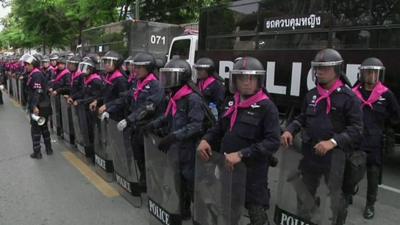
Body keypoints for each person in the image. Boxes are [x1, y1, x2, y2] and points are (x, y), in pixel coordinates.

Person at [281, 48, 363, 225]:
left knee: (337, 198)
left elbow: (356, 129)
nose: (319, 72)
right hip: (310, 155)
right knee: (305, 194)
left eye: (324, 69)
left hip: (336, 159)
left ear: (336, 70)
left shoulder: (349, 98)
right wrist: (290, 129)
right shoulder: (312, 95)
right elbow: (302, 117)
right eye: (317, 68)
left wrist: (333, 142)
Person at [197, 56, 280, 225]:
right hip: (229, 169)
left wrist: (242, 154)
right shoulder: (231, 103)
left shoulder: (267, 107)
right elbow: (219, 127)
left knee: (258, 217)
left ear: (259, 80)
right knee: (228, 210)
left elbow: (273, 141)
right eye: (242, 78)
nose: (247, 82)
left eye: (252, 78)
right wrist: (206, 139)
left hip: (253, 174)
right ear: (235, 80)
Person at [144, 59, 206, 219]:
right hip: (176, 148)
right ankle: (183, 211)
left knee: (192, 185)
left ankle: (201, 217)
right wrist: (152, 125)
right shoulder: (175, 96)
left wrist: (173, 137)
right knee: (178, 181)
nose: (168, 80)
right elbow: (167, 117)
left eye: (172, 76)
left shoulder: (192, 98)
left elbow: (196, 126)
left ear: (182, 78)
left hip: (189, 149)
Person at [105, 52, 164, 192]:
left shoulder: (155, 85)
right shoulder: (138, 82)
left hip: (149, 128)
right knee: (139, 156)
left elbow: (148, 107)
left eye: (138, 67)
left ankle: (155, 187)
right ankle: (144, 181)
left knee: (151, 159)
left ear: (148, 68)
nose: (134, 70)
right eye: (134, 67)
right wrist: (109, 108)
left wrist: (129, 119)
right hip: (136, 127)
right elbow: (126, 98)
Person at [352, 57, 400, 219]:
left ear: (379, 75)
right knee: (352, 172)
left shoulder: (386, 95)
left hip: (374, 143)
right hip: (356, 141)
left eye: (374, 72)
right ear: (362, 74)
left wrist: (386, 127)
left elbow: (396, 116)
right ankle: (350, 191)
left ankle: (370, 204)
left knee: (373, 175)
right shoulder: (354, 92)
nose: (371, 76)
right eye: (368, 72)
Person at [20, 54, 53, 159]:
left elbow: (37, 92)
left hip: (39, 107)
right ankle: (49, 149)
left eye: (27, 64)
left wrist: (34, 106)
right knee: (43, 127)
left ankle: (37, 152)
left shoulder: (36, 74)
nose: (25, 66)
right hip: (42, 106)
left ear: (32, 64)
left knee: (35, 129)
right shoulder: (34, 73)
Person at [92, 51, 128, 121]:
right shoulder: (108, 76)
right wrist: (97, 101)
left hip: (117, 115)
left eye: (109, 62)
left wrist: (107, 106)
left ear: (116, 64)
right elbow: (107, 95)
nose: (106, 65)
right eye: (105, 62)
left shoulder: (120, 79)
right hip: (108, 113)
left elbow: (123, 99)